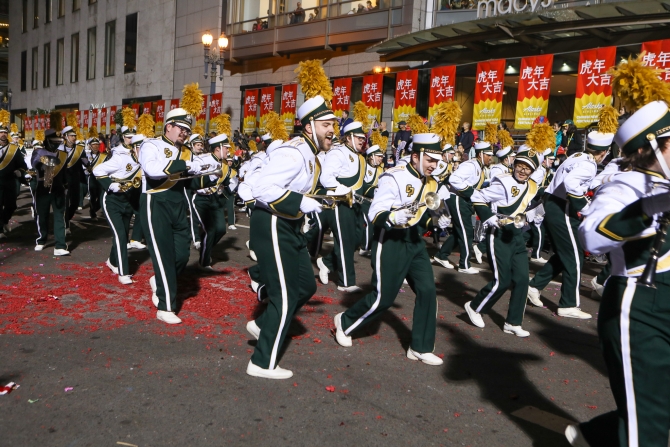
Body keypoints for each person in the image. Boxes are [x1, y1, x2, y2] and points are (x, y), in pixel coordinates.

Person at [569, 90, 670, 446]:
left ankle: (595, 436)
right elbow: (592, 236)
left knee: (656, 405)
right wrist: (652, 207)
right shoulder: (625, 186)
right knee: (651, 426)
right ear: (651, 147)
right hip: (639, 307)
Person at [333, 133, 444, 366]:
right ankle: (345, 322)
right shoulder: (394, 177)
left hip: (414, 241)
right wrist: (394, 217)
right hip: (390, 239)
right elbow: (375, 213)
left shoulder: (432, 180)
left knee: (427, 291)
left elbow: (426, 213)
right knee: (384, 297)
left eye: (437, 160)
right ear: (416, 156)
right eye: (430, 160)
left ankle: (420, 347)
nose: (434, 165)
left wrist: (439, 219)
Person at [245, 94, 336, 380]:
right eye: (325, 124)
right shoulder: (294, 151)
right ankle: (261, 363)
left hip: (289, 225)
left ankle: (264, 323)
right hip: (272, 223)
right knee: (284, 296)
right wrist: (300, 202)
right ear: (309, 127)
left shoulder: (311, 155)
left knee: (305, 286)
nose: (332, 129)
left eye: (333, 123)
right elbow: (262, 187)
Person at [526, 127, 611, 319]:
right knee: (575, 257)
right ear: (603, 152)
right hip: (562, 208)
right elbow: (572, 183)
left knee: (567, 253)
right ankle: (568, 304)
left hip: (555, 205)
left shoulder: (577, 156)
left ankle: (534, 286)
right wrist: (586, 208)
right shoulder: (589, 164)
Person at [139, 108, 211, 325]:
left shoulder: (186, 151)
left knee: (181, 255)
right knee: (163, 256)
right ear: (168, 126)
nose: (184, 133)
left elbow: (189, 181)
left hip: (178, 202)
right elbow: (153, 170)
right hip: (156, 201)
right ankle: (165, 307)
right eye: (181, 128)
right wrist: (187, 165)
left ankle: (159, 280)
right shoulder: (151, 145)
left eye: (188, 130)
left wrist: (213, 174)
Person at [464, 147, 544, 337]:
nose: (523, 170)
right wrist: (488, 217)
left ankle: (513, 322)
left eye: (528, 168)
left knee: (523, 279)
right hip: (498, 235)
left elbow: (529, 207)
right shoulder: (504, 182)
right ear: (514, 165)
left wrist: (534, 214)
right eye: (520, 165)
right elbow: (477, 197)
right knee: (503, 280)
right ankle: (475, 307)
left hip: (516, 236)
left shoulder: (532, 186)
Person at [315, 121, 367, 292]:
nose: (362, 141)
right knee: (344, 240)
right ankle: (346, 282)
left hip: (355, 203)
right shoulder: (338, 153)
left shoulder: (360, 157)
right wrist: (343, 190)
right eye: (359, 138)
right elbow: (326, 178)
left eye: (363, 138)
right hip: (338, 202)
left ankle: (327, 262)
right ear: (349, 137)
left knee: (357, 239)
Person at [433, 141, 493, 273]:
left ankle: (442, 255)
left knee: (460, 231)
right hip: (457, 199)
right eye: (488, 155)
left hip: (464, 200)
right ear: (480, 154)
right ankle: (464, 265)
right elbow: (454, 179)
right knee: (466, 231)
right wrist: (471, 193)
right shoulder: (470, 165)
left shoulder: (479, 167)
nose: (491, 158)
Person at [93, 132, 143, 285]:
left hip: (128, 201)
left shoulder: (145, 162)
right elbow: (97, 170)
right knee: (121, 235)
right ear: (133, 148)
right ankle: (124, 272)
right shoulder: (121, 158)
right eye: (139, 147)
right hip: (112, 201)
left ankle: (112, 261)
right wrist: (110, 185)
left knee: (122, 234)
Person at [190, 134, 233, 270]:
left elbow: (226, 182)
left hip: (215, 199)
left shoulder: (225, 164)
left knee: (220, 229)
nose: (228, 151)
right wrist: (213, 177)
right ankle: (204, 262)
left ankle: (205, 248)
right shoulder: (203, 160)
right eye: (226, 148)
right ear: (217, 149)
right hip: (201, 199)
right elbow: (195, 182)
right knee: (210, 230)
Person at [32, 129, 69, 255]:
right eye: (53, 141)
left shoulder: (63, 154)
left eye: (58, 141)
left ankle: (60, 245)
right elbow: (35, 163)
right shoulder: (38, 151)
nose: (56, 144)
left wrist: (66, 185)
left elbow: (64, 173)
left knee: (60, 216)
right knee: (42, 215)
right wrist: (44, 164)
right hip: (43, 187)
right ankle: (41, 240)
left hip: (58, 188)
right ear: (47, 141)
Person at [0, 120, 27, 239]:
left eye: (5, 132)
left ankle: (4, 221)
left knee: (11, 206)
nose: (3, 134)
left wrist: (19, 171)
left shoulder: (14, 149)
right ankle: (0, 229)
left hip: (9, 181)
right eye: (1, 132)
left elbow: (22, 165)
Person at [358, 144, 384, 255]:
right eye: (378, 156)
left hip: (374, 202)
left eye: (381, 156)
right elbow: (362, 186)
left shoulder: (381, 169)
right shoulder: (363, 166)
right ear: (371, 156)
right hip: (362, 200)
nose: (381, 158)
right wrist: (374, 191)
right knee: (368, 223)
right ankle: (365, 247)